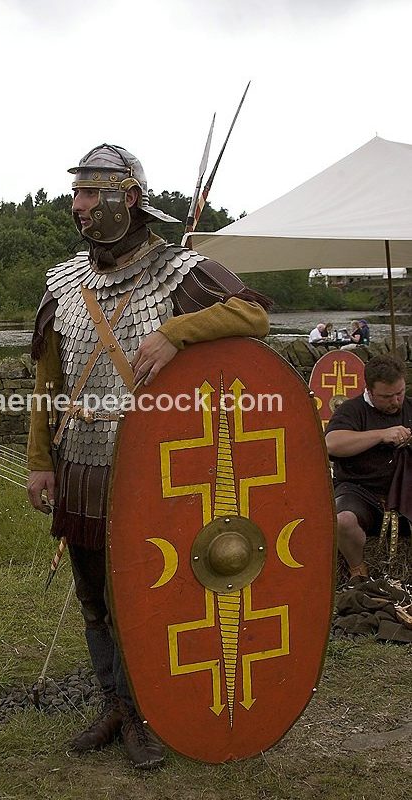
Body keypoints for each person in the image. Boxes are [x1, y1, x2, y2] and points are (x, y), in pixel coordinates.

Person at [26, 144, 271, 769]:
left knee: (143, 592)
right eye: (75, 192)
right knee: (92, 593)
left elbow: (254, 314)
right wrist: (38, 460)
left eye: (90, 193)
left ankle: (147, 708)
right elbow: (46, 385)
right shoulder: (63, 283)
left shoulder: (180, 273)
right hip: (81, 462)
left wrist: (175, 332)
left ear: (128, 197)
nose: (77, 206)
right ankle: (114, 703)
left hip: (152, 469)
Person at [325, 354, 412, 580]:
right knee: (342, 520)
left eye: (400, 393)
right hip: (361, 492)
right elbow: (331, 443)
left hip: (406, 491)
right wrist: (381, 435)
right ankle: (357, 568)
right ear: (370, 391)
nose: (396, 401)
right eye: (386, 396)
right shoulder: (352, 410)